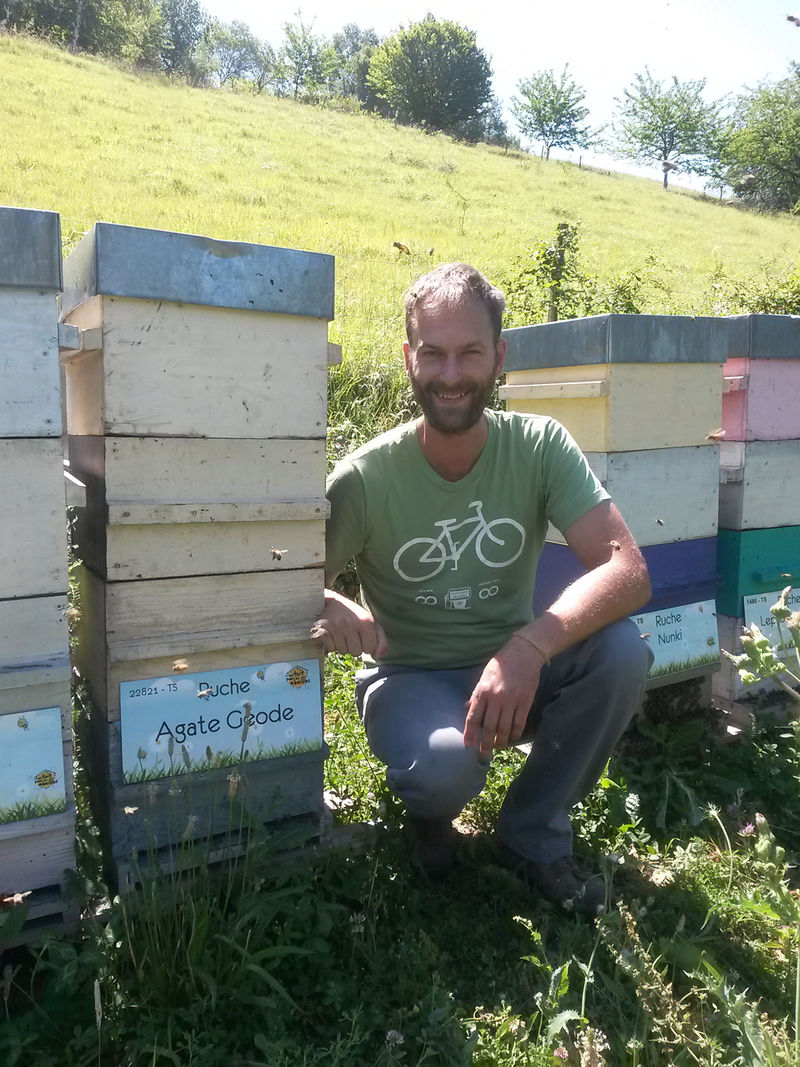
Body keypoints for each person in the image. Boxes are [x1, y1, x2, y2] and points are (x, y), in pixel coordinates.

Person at [314, 263, 653, 915]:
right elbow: (287, 589)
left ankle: (532, 830)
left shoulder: (540, 445)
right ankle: (432, 810)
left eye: (469, 353)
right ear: (408, 357)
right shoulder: (362, 478)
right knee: (446, 771)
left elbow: (626, 568)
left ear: (498, 357)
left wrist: (528, 647)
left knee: (621, 653)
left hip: (511, 672)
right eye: (433, 353)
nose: (450, 374)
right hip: (410, 677)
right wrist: (326, 601)